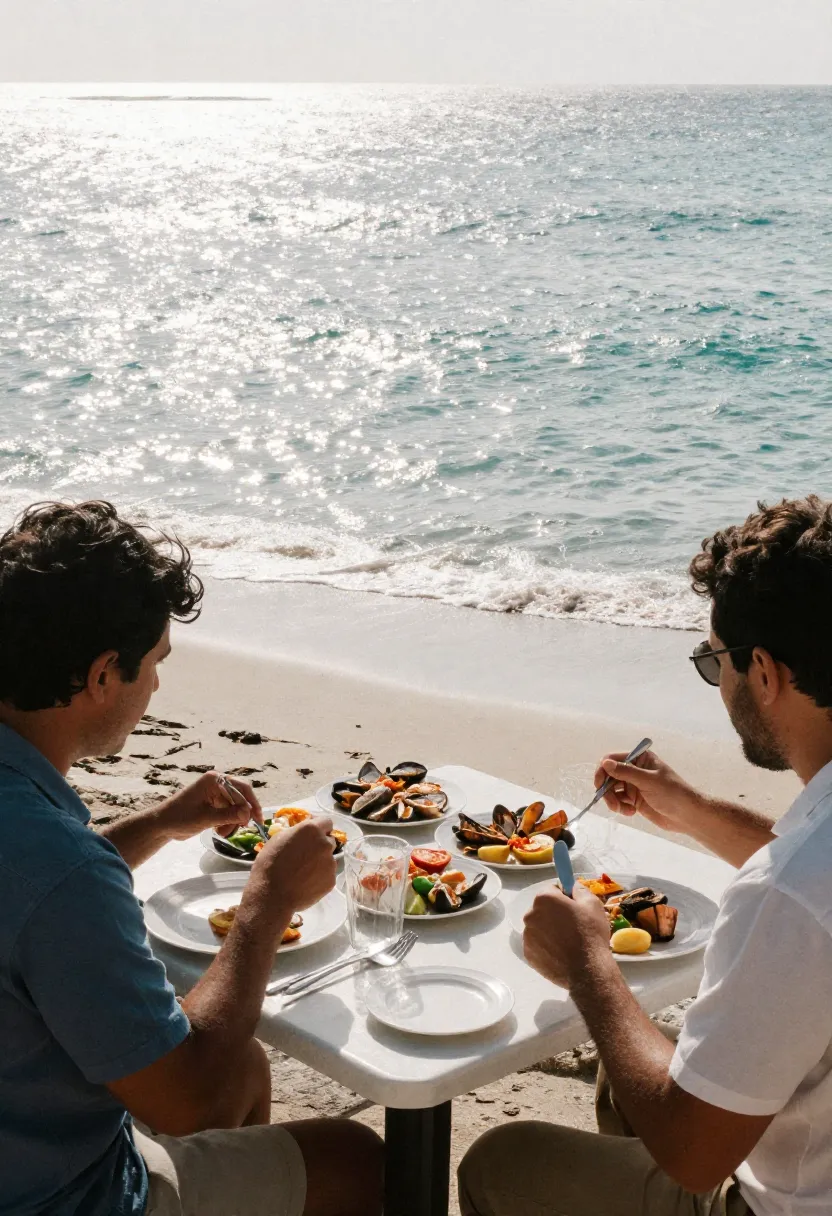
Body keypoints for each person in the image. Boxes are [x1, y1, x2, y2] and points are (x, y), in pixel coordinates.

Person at [0, 501, 383, 1216]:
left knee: (246, 1064)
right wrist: (266, 902)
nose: (154, 689)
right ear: (102, 673)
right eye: (151, 666)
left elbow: (30, 896)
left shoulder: (37, 841)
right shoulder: (63, 870)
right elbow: (189, 1098)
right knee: (360, 1162)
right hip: (58, 1193)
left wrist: (159, 823)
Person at [459, 495, 832, 1216]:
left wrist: (587, 966)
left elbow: (695, 1155)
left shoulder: (784, 894)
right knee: (622, 1073)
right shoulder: (805, 871)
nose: (716, 684)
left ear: (764, 671)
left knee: (501, 1162)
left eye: (712, 661)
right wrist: (692, 812)